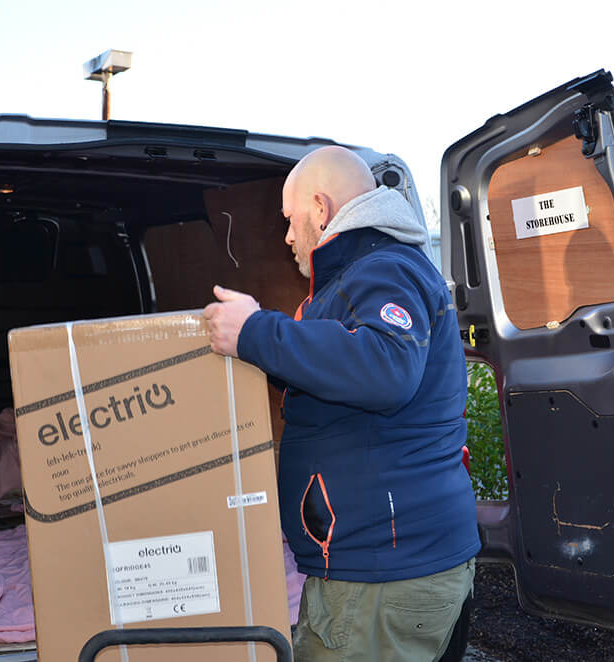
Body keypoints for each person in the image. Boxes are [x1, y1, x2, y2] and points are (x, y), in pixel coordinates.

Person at [202, 146, 480, 661]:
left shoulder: (382, 269)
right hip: (381, 564)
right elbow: (343, 383)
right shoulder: (358, 278)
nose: (286, 236)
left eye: (290, 220)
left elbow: (385, 369)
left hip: (382, 573)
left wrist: (257, 332)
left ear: (322, 209)